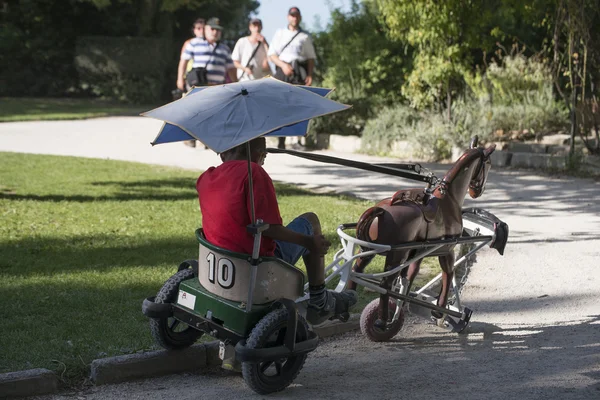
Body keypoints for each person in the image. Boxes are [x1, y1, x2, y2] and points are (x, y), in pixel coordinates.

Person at [196, 137, 358, 325]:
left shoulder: (206, 177)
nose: (264, 159)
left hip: (218, 262)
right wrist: (308, 242)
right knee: (310, 220)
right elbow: (270, 228)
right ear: (259, 153)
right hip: (257, 265)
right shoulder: (254, 173)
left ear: (223, 152)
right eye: (264, 154)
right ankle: (320, 301)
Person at [178, 17, 237, 147]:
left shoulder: (225, 48)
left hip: (217, 87)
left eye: (218, 30)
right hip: (198, 85)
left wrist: (236, 84)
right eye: (212, 29)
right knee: (195, 112)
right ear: (206, 29)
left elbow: (231, 68)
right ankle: (191, 137)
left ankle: (207, 140)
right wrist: (179, 79)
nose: (215, 32)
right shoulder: (193, 43)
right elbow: (184, 61)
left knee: (213, 114)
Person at [268, 6, 316, 149]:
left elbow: (310, 58)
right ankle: (281, 140)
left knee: (296, 106)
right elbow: (272, 55)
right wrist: (283, 66)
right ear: (288, 17)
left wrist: (309, 74)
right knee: (280, 106)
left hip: (298, 71)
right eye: (292, 15)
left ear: (299, 18)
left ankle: (296, 140)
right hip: (283, 71)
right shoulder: (280, 33)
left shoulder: (304, 36)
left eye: (296, 16)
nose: (294, 18)